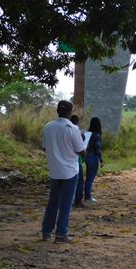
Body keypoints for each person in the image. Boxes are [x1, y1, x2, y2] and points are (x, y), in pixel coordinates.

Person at [41, 101, 85, 243]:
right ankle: (61, 234)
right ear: (70, 112)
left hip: (54, 170)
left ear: (57, 110)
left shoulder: (48, 127)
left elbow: (45, 148)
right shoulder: (72, 128)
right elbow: (80, 150)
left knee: (53, 202)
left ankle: (46, 231)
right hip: (70, 171)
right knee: (65, 204)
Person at [84, 116, 104, 203]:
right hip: (93, 157)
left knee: (88, 176)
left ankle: (85, 195)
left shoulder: (87, 134)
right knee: (90, 178)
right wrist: (101, 160)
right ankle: (88, 197)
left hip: (86, 156)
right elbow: (98, 149)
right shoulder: (97, 135)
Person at [70, 114, 86, 208]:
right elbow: (80, 149)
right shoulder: (76, 131)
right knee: (79, 182)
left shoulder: (66, 130)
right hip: (76, 161)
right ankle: (77, 201)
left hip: (67, 162)